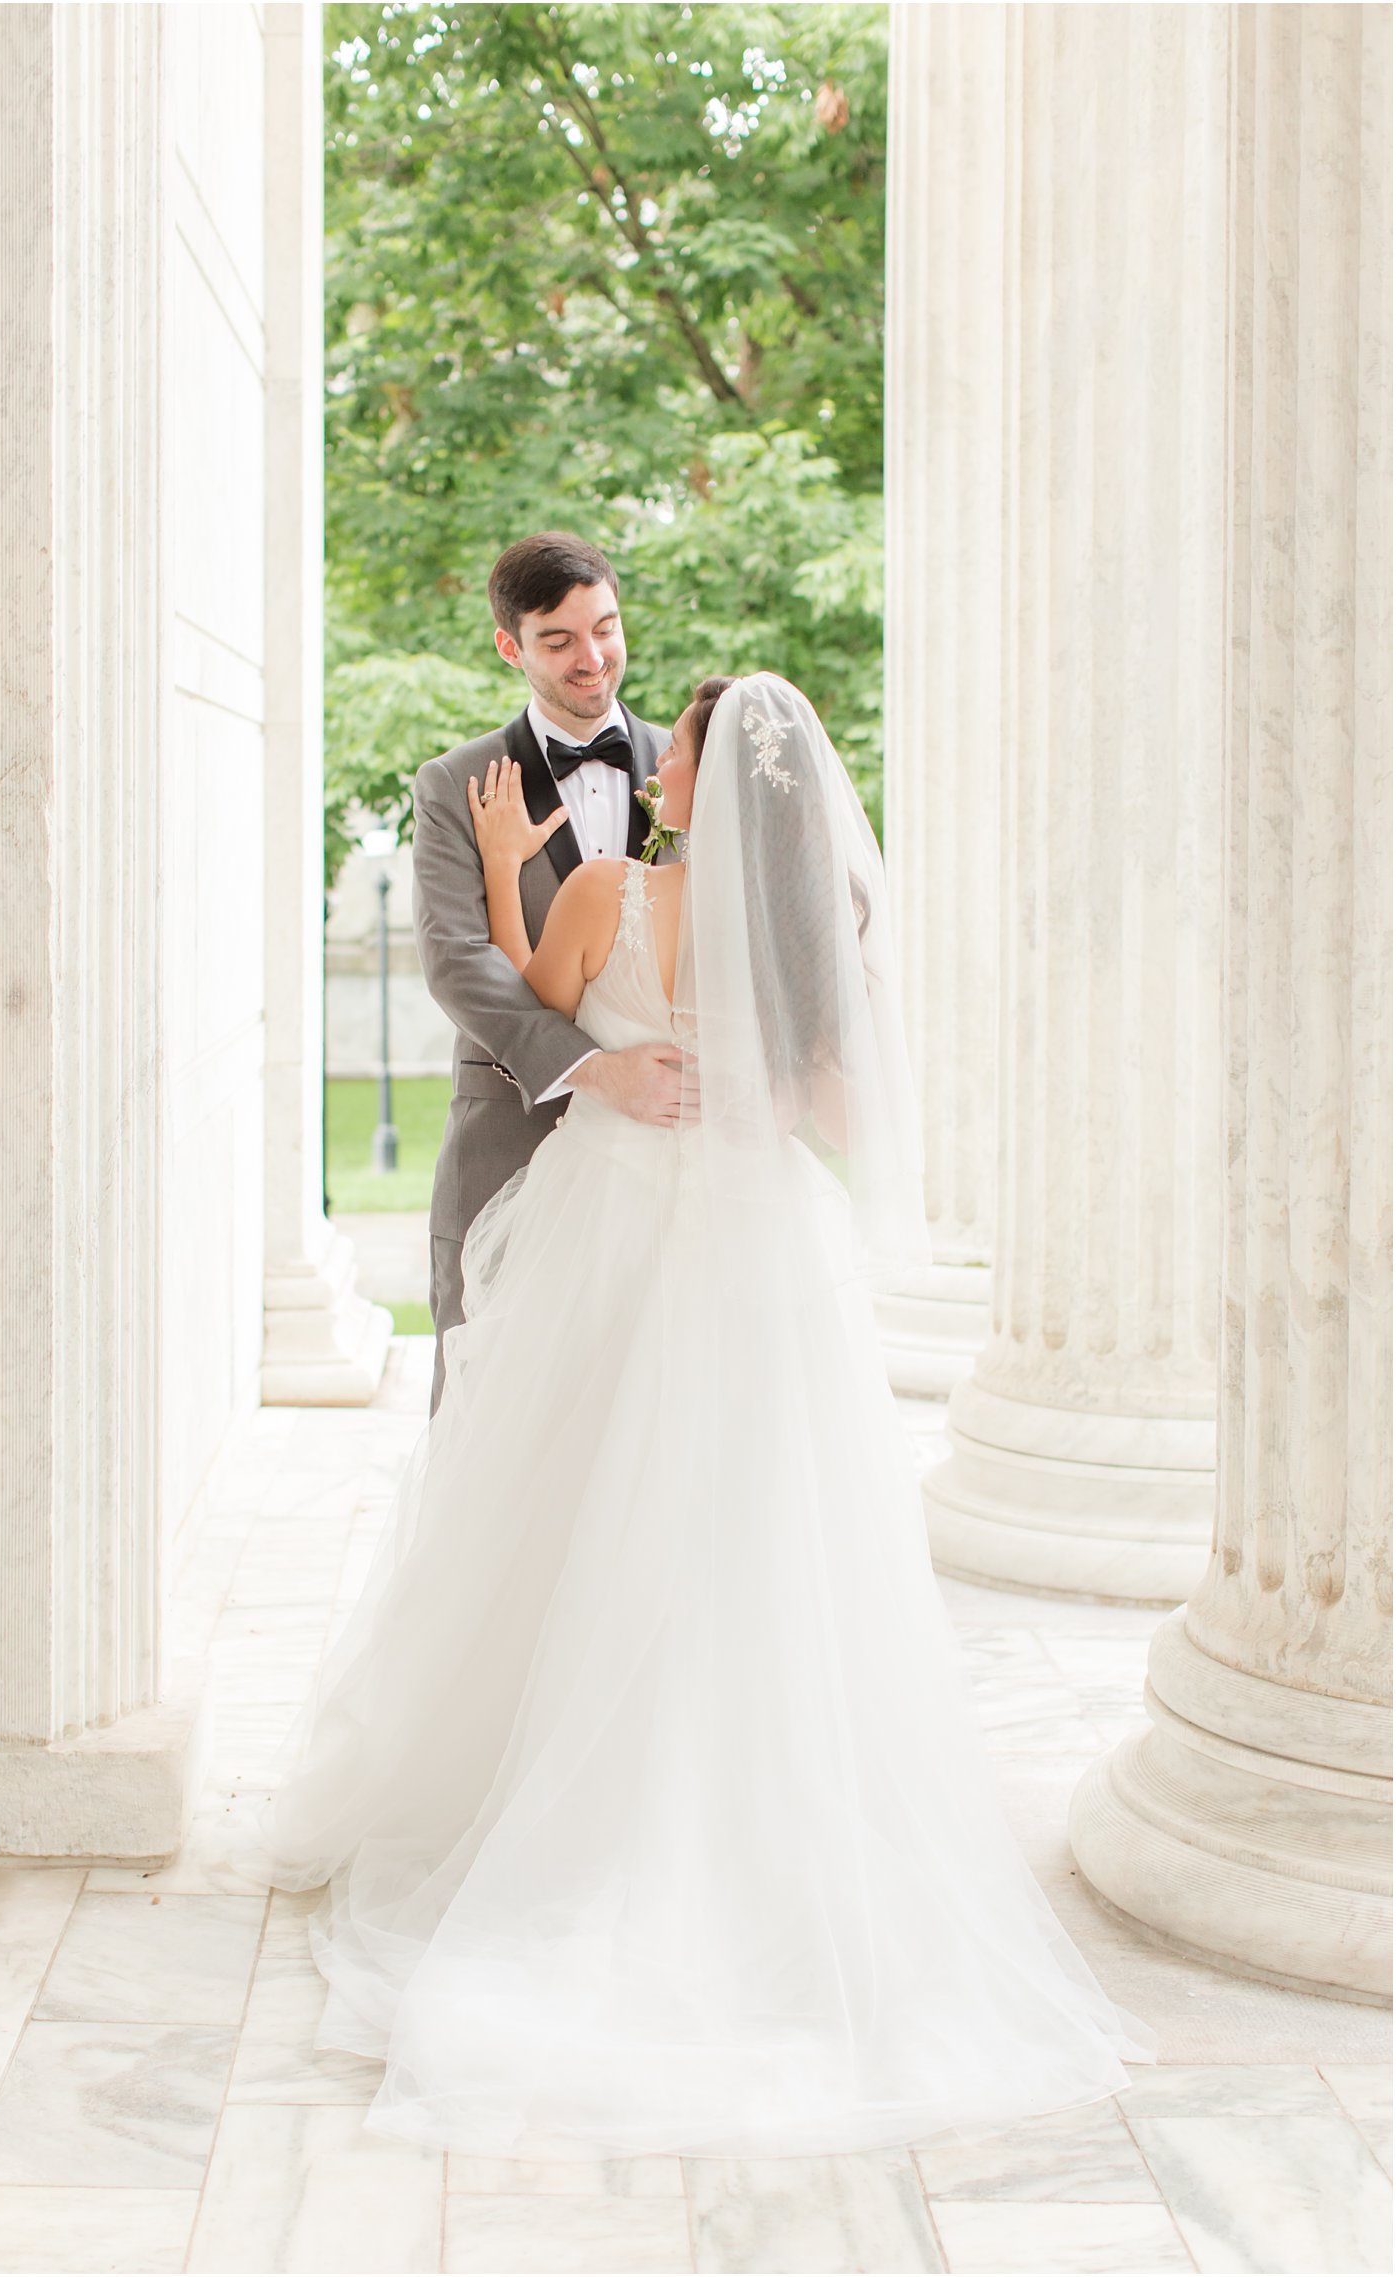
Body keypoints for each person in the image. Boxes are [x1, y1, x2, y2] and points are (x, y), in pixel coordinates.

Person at [236, 671, 1156, 2159]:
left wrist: (525, 881)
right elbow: (850, 1124)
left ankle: (566, 1812)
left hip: (620, 1232)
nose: (658, 752)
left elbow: (543, 1010)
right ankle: (764, 1820)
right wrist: (771, 1084)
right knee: (762, 1526)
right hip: (761, 1245)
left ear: (706, 781)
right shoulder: (810, 947)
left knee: (576, 1510)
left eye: (680, 743)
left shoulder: (610, 886)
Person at [409, 531, 686, 1413]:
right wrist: (596, 1069)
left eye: (604, 627)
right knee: (487, 1413)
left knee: (641, 1422)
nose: (592, 657)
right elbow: (459, 962)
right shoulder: (454, 785)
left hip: (662, 1158)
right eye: (558, 639)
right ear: (510, 646)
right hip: (509, 1140)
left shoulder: (692, 772)